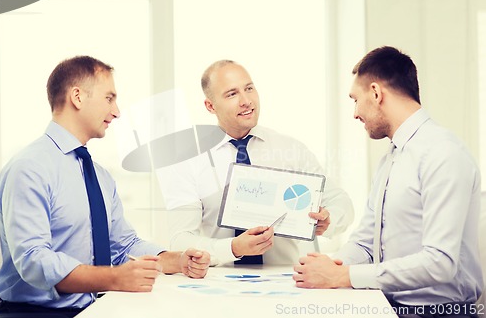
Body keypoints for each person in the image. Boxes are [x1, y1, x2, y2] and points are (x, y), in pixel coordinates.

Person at [0, 56, 210, 317]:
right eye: (109, 98)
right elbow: (34, 260)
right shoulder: (29, 168)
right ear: (77, 97)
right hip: (31, 313)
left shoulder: (100, 176)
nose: (117, 111)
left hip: (92, 309)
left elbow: (123, 245)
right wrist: (114, 278)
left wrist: (175, 260)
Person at [293, 46, 483, 317]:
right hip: (391, 308)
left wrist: (342, 275)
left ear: (375, 93)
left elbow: (440, 263)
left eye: (355, 100)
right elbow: (365, 243)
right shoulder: (391, 160)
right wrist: (327, 265)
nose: (355, 113)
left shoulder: (443, 153)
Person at [157, 60, 354, 266]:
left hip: (290, 281)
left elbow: (342, 202)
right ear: (210, 106)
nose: (246, 101)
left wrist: (328, 220)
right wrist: (232, 248)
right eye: (232, 94)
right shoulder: (189, 162)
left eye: (249, 89)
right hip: (221, 286)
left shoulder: (290, 150)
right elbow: (180, 239)